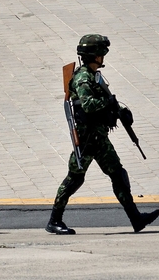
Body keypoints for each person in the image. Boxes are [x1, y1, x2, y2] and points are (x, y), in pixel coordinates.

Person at [46, 34, 159, 234]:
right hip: (88, 139)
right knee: (75, 178)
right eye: (100, 54)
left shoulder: (94, 76)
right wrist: (110, 105)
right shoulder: (82, 78)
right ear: (94, 55)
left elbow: (103, 101)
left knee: (118, 174)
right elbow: (89, 106)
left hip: (99, 137)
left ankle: (136, 219)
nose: (103, 57)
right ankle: (54, 220)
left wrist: (120, 110)